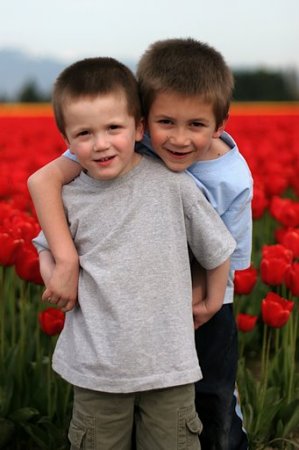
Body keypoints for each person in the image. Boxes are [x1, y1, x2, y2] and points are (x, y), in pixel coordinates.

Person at [28, 38, 252, 449]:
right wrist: (65, 265)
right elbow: (44, 181)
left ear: (218, 125)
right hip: (119, 323)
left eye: (196, 126)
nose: (179, 139)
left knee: (212, 401)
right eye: (166, 123)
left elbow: (226, 253)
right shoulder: (115, 152)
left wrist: (206, 301)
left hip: (202, 303)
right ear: (145, 122)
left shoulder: (229, 179)